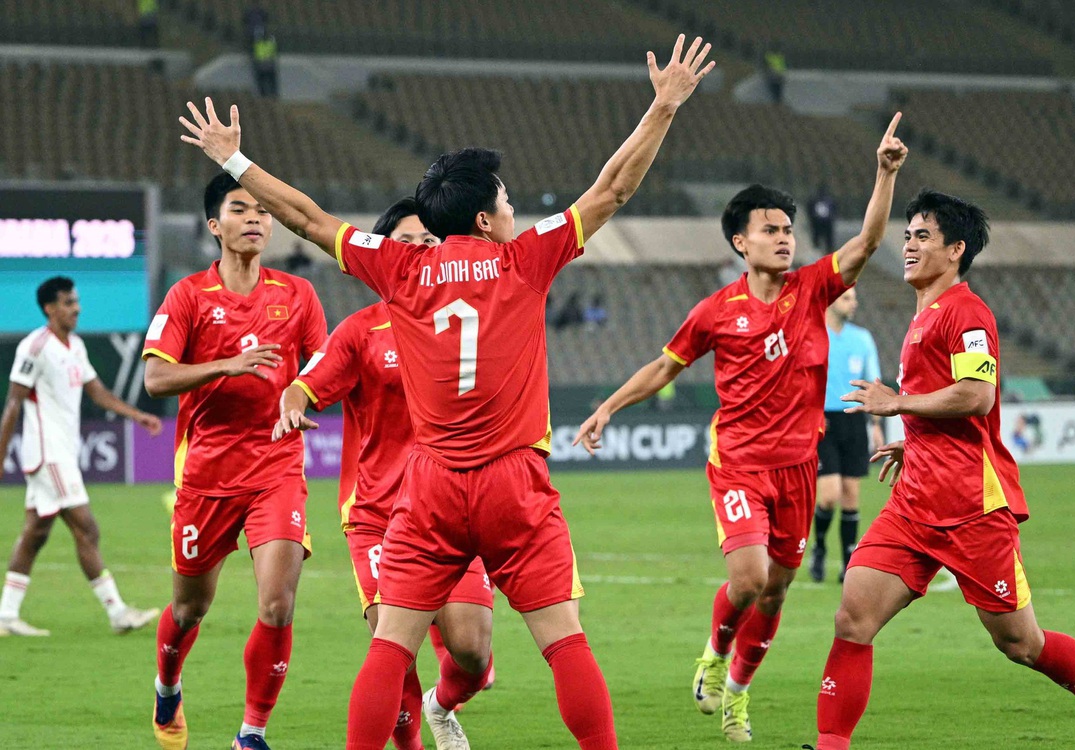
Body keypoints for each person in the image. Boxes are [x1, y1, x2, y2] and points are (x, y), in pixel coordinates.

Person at [177, 32, 716, 750]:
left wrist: (234, 159)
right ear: (486, 218)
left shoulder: (399, 267)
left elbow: (307, 219)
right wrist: (664, 106)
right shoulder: (525, 259)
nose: (513, 209)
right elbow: (613, 188)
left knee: (390, 647)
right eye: (507, 199)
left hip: (428, 485)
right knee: (563, 641)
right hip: (514, 481)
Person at [576, 114, 908, 743]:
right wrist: (609, 406)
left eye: (788, 230)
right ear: (740, 241)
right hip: (738, 463)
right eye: (770, 230)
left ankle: (737, 690)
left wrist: (884, 174)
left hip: (799, 465)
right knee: (749, 578)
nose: (784, 240)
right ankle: (714, 651)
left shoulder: (813, 288)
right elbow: (664, 368)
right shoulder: (715, 312)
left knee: (776, 592)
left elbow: (867, 242)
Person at [811, 190, 1075, 750]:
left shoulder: (967, 312)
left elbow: (977, 394)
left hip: (972, 507)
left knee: (1020, 643)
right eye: (907, 235)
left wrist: (897, 404)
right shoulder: (924, 315)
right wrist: (914, 441)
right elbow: (946, 403)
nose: (908, 245)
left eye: (923, 236)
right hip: (914, 504)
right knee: (853, 618)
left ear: (956, 249)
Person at [273, 198, 496, 750]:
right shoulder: (361, 331)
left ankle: (441, 705)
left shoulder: (467, 317)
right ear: (384, 255)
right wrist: (293, 404)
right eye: (407, 241)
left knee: (474, 654)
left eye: (429, 239)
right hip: (380, 514)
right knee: (395, 651)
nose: (421, 249)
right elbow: (305, 383)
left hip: (453, 506)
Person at [142, 173, 328, 750]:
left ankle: (251, 733)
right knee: (189, 608)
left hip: (277, 465)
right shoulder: (187, 296)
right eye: (240, 209)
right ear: (214, 226)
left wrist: (302, 397)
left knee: (277, 603)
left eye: (263, 211)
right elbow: (155, 378)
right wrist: (225, 365)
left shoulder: (298, 294)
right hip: (207, 473)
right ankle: (167, 684)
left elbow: (322, 367)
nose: (255, 219)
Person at [0, 276, 162, 637]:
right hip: (49, 454)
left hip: (63, 452)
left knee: (36, 532)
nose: (77, 308)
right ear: (49, 308)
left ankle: (6, 615)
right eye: (68, 302)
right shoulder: (35, 347)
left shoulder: (74, 346)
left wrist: (137, 415)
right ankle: (118, 612)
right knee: (86, 528)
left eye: (76, 301)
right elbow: (13, 403)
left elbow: (98, 392)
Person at [810, 287, 884, 584]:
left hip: (854, 420)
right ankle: (819, 547)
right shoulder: (812, 335)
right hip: (822, 421)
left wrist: (875, 424)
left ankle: (847, 562)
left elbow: (873, 383)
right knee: (829, 496)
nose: (854, 303)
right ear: (830, 301)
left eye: (854, 298)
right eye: (846, 298)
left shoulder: (862, 338)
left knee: (851, 496)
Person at [807, 183, 836, 254]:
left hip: (825, 223)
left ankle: (827, 252)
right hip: (818, 223)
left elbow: (834, 210)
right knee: (817, 240)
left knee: (827, 242)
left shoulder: (829, 201)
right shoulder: (815, 200)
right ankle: (817, 252)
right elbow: (810, 210)